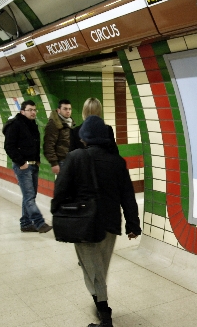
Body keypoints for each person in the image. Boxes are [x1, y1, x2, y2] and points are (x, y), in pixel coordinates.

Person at [52, 115, 141, 327]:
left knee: (92, 269)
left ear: (84, 137)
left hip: (83, 223)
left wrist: (59, 213)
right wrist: (132, 225)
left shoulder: (75, 157)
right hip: (110, 223)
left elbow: (61, 191)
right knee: (100, 268)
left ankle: (105, 314)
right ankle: (101, 305)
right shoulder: (118, 162)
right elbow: (128, 195)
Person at [3, 100, 53, 233]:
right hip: (23, 166)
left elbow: (34, 145)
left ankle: (25, 224)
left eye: (34, 110)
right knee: (29, 196)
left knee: (30, 196)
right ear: (22, 111)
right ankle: (39, 223)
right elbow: (9, 146)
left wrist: (37, 160)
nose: (33, 112)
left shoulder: (32, 125)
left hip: (33, 165)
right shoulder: (15, 125)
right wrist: (21, 163)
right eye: (30, 110)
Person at [43, 99, 75, 174]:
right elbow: (49, 144)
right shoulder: (54, 124)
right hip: (61, 161)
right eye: (65, 109)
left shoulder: (69, 122)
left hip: (70, 159)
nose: (68, 111)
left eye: (70, 109)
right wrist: (54, 163)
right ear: (58, 110)